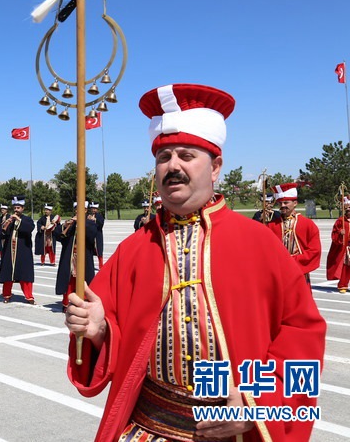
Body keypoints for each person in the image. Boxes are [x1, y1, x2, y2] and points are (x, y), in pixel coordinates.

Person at [64, 83, 326, 441]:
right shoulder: (133, 249)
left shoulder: (259, 242)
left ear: (215, 167)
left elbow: (303, 334)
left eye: (186, 156)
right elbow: (109, 337)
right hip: (147, 429)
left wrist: (257, 401)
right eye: (163, 157)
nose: (173, 166)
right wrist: (98, 331)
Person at [267, 182, 321, 283]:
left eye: (286, 203)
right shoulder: (272, 225)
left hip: (299, 269)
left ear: (295, 203)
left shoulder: (308, 224)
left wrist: (294, 260)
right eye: (280, 203)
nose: (282, 206)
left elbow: (314, 250)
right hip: (279, 270)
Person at [55, 202, 97, 311]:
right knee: (69, 280)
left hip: (84, 258)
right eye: (76, 208)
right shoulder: (71, 222)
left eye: (81, 208)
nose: (78, 211)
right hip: (69, 256)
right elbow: (58, 236)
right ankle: (66, 303)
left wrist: (81, 223)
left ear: (86, 210)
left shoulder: (90, 223)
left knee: (83, 280)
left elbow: (92, 235)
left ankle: (83, 302)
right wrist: (65, 226)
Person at [0, 196, 36, 304]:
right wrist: (6, 224)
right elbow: (1, 234)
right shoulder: (9, 219)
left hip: (23, 251)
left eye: (18, 208)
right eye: (15, 208)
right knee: (8, 273)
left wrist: (19, 220)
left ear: (22, 208)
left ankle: (29, 296)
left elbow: (29, 228)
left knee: (25, 273)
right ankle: (6, 295)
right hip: (9, 251)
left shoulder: (27, 220)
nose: (16, 210)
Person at [327, 196, 350, 293]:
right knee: (345, 267)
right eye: (347, 210)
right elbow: (334, 234)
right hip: (346, 248)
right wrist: (340, 233)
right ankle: (343, 284)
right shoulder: (341, 221)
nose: (349, 211)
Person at [87, 202, 105, 269]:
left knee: (99, 251)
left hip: (97, 235)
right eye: (92, 208)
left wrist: (95, 220)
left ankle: (101, 265)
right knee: (89, 251)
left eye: (95, 209)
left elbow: (101, 224)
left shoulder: (99, 216)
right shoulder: (88, 215)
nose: (94, 210)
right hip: (90, 236)